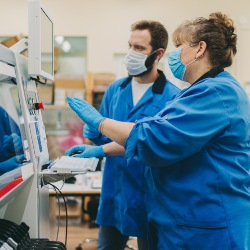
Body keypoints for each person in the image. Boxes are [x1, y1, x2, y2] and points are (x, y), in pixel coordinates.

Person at [67, 12, 250, 250]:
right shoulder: (199, 91)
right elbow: (154, 133)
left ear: (199, 49)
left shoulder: (214, 93)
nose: (176, 53)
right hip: (182, 217)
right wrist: (99, 148)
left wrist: (101, 122)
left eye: (180, 46)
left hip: (205, 223)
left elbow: (153, 138)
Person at [65, 20, 180, 250]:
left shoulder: (172, 97)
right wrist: (94, 135)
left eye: (139, 48)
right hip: (115, 192)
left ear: (158, 54)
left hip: (151, 196)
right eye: (130, 46)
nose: (131, 53)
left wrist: (99, 148)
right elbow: (104, 136)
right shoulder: (116, 90)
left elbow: (153, 143)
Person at [0, 106, 24, 175]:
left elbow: (20, 137)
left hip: (11, 179)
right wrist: (1, 167)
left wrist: (19, 144)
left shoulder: (1, 112)